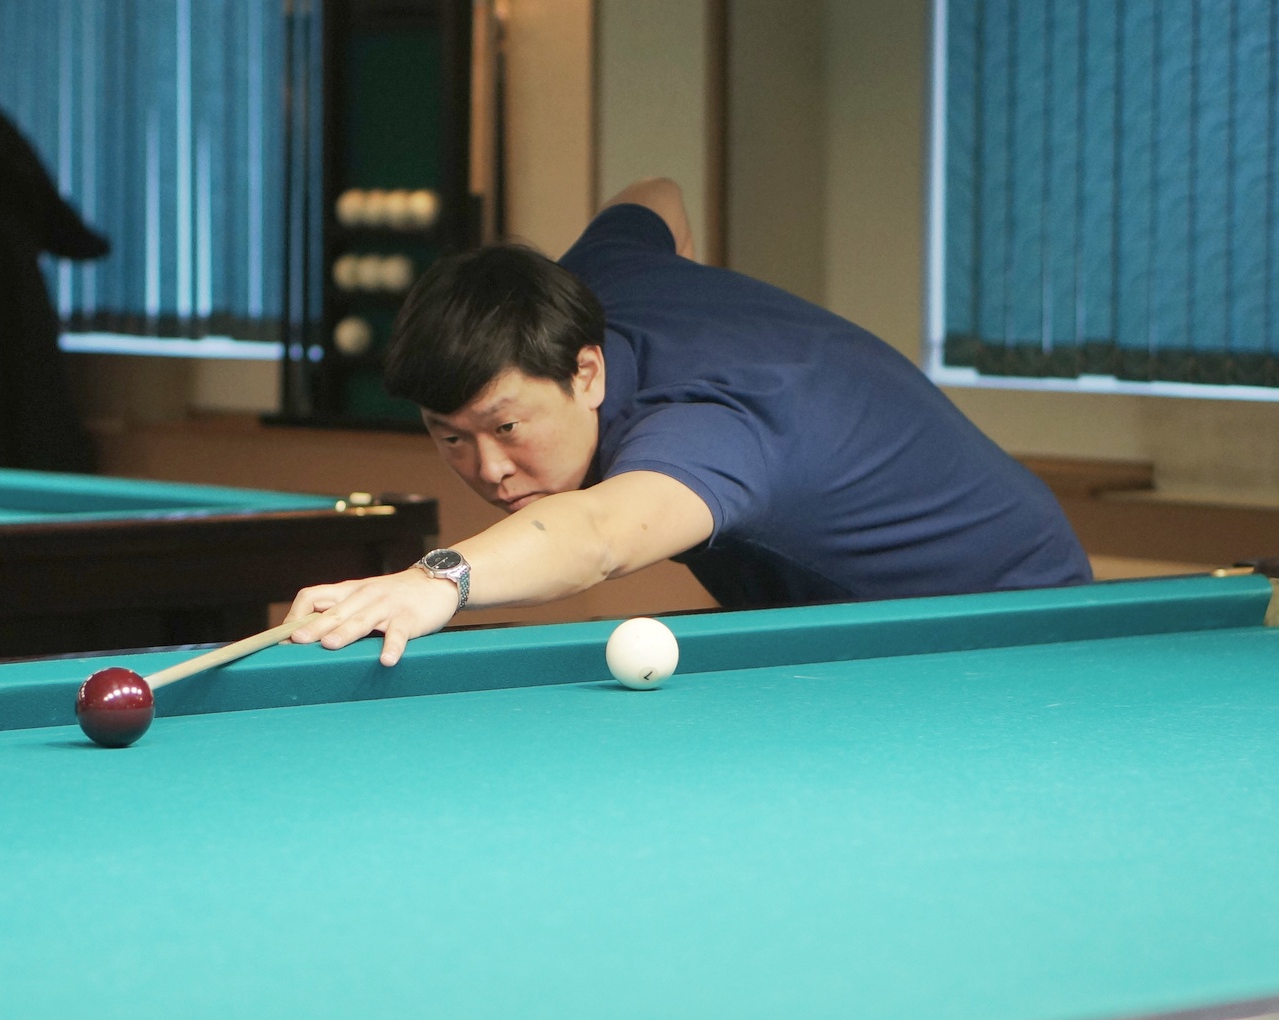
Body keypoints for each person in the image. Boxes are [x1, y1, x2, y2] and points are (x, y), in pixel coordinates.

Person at [285, 178, 1091, 665]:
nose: (489, 469)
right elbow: (655, 195)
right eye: (450, 436)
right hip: (843, 617)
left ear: (587, 373)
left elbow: (597, 536)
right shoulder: (599, 277)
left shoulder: (710, 429)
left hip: (1004, 614)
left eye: (506, 428)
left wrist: (438, 580)